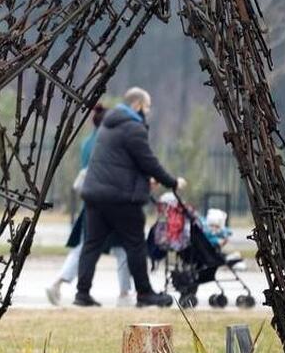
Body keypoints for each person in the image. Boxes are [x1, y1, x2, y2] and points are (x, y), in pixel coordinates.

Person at [74, 87, 185, 308]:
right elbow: (148, 161)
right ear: (138, 105)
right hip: (121, 199)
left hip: (95, 195)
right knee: (135, 244)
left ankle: (82, 293)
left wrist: (145, 180)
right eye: (148, 106)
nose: (149, 111)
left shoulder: (108, 125)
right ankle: (144, 294)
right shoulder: (133, 128)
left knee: (92, 244)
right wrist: (172, 182)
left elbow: (125, 163)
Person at [44, 104, 134, 307]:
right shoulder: (107, 144)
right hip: (109, 201)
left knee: (84, 247)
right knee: (122, 248)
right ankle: (124, 293)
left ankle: (58, 283)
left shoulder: (86, 143)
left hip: (90, 201)